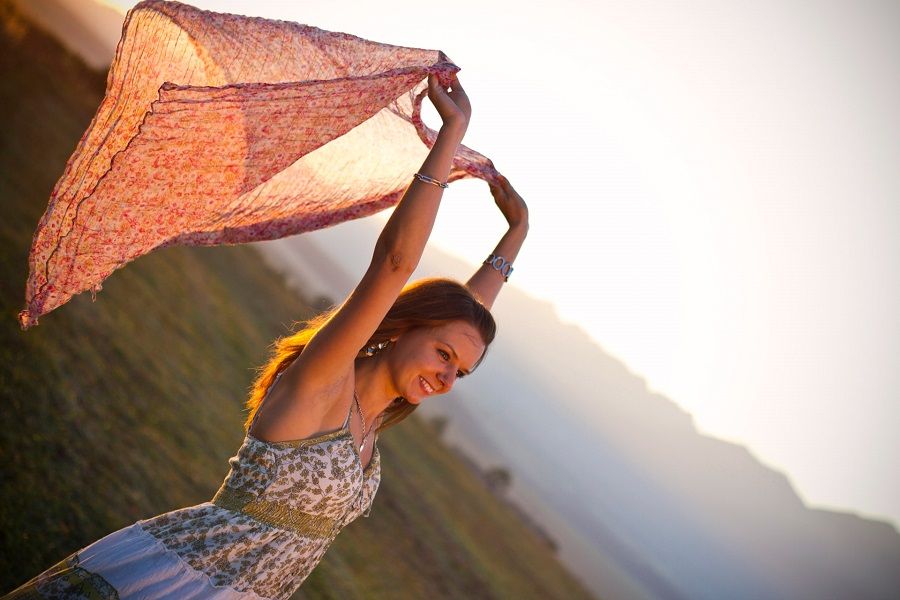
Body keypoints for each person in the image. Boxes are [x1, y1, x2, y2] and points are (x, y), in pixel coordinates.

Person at [3, 72, 529, 599]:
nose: (445, 377)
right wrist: (450, 137)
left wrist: (515, 235)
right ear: (404, 325)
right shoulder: (326, 381)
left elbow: (462, 316)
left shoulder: (372, 412)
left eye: (457, 371)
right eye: (442, 356)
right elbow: (393, 264)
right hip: (181, 580)